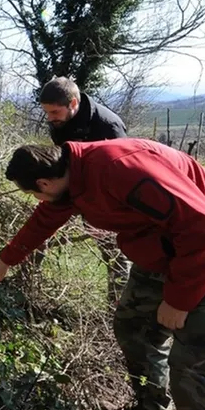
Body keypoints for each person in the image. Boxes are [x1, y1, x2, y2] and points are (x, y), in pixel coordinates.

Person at [0, 138, 205, 410]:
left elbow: (202, 226)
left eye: (34, 194)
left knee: (195, 371)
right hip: (164, 251)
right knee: (135, 329)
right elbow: (45, 218)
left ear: (44, 184)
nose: (38, 200)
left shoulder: (119, 169)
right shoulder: (71, 178)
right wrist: (5, 260)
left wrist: (178, 301)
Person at [38, 76, 131, 304]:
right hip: (74, 192)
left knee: (113, 252)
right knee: (41, 233)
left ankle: (117, 306)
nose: (50, 119)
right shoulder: (60, 123)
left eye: (54, 113)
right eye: (47, 113)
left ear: (72, 104)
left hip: (108, 202)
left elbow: (123, 173)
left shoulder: (108, 126)